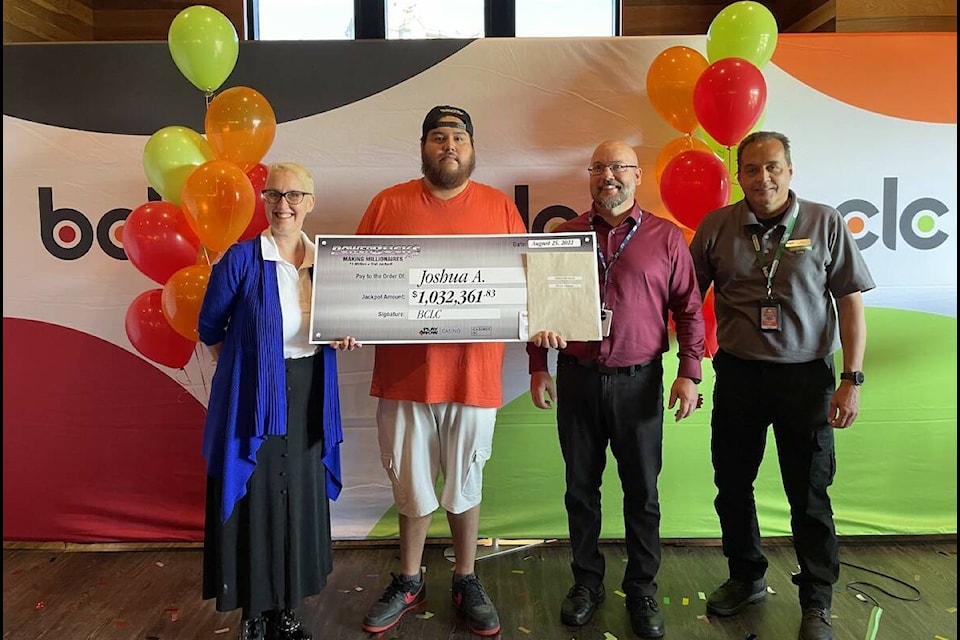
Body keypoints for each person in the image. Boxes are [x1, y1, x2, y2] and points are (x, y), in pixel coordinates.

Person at [689, 131, 875, 640]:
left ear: (789, 170)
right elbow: (684, 299)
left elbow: (851, 303)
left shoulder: (824, 221)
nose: (762, 178)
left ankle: (817, 600)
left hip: (807, 379)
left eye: (772, 167)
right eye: (751, 169)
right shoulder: (716, 226)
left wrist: (851, 379)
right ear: (739, 174)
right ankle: (746, 577)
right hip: (740, 376)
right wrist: (686, 366)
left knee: (810, 493)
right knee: (731, 486)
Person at [355, 105, 526, 637]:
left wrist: (549, 318)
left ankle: (466, 576)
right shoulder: (388, 204)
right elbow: (355, 279)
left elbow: (531, 282)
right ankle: (409, 579)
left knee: (466, 480)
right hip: (406, 376)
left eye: (458, 137)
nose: (448, 145)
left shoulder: (500, 209)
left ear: (472, 149)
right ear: (423, 147)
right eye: (437, 137)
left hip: (474, 377)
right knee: (410, 482)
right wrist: (350, 316)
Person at [527, 140, 706, 639]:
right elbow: (538, 307)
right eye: (600, 167)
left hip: (640, 384)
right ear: (589, 177)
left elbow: (689, 310)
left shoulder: (666, 238)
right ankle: (586, 583)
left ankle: (643, 588)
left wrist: (690, 373)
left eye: (619, 167)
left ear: (637, 177)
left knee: (643, 494)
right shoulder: (563, 236)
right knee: (580, 491)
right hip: (578, 380)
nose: (609, 175)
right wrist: (538, 365)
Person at [198, 162, 360, 640]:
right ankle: (255, 614)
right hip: (254, 396)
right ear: (264, 200)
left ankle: (286, 608)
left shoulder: (327, 262)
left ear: (310, 202)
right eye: (273, 195)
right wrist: (249, 364)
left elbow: (342, 322)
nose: (282, 204)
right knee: (257, 499)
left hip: (310, 390)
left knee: (298, 500)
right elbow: (210, 327)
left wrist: (343, 337)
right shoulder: (241, 260)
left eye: (293, 196)